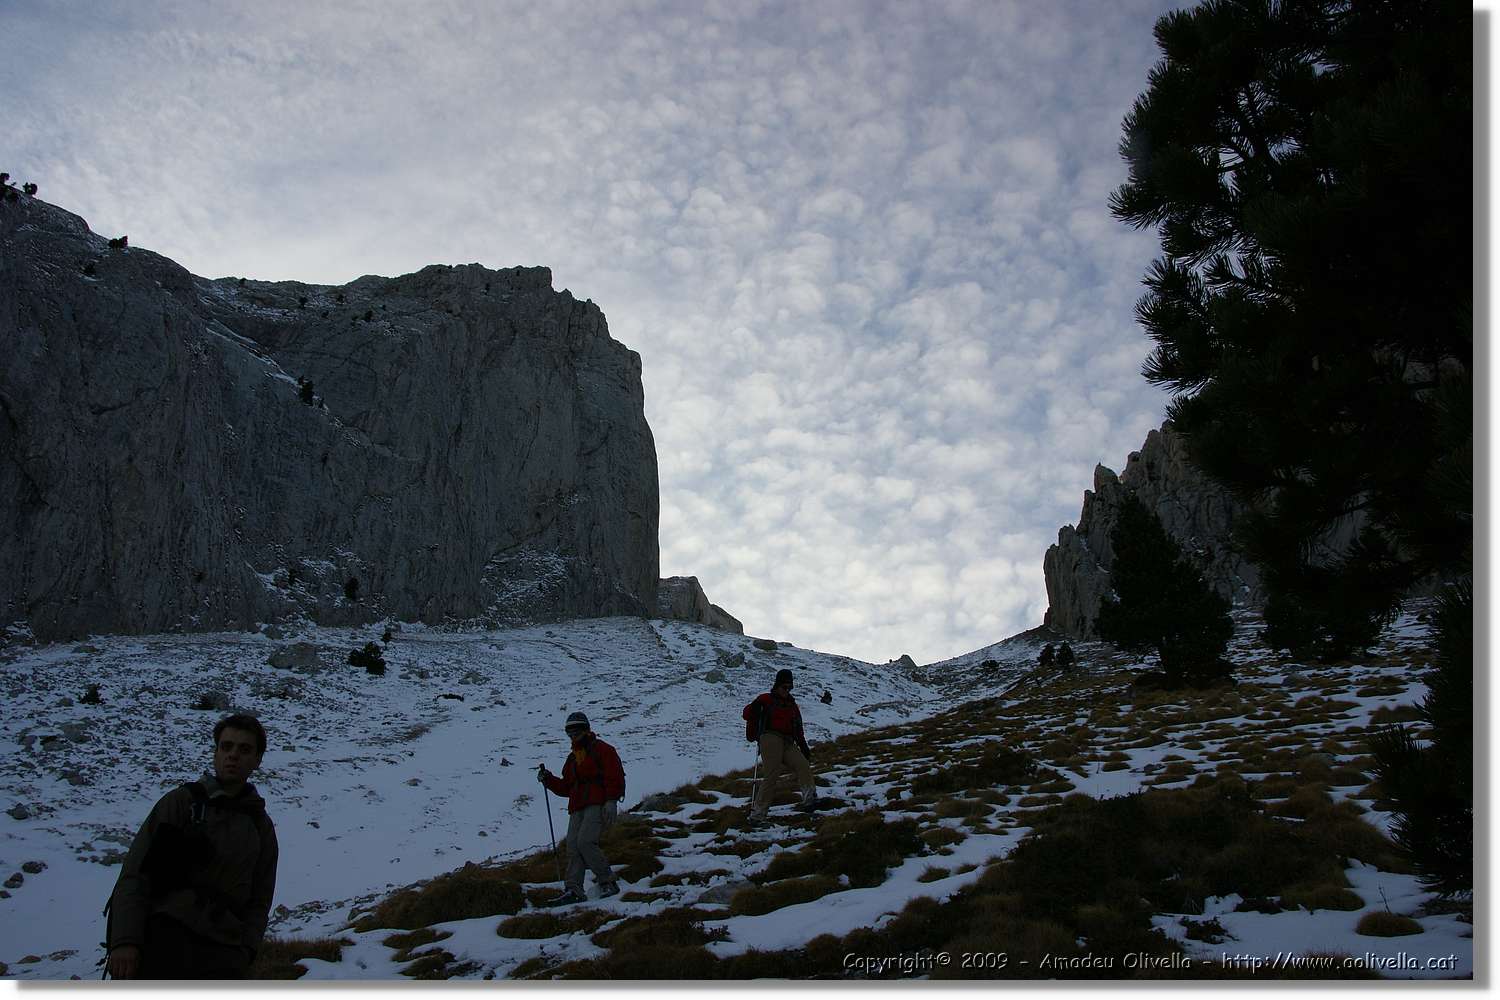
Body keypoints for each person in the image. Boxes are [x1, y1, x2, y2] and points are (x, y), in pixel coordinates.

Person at [105, 713, 278, 980]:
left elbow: (260, 898)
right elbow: (135, 875)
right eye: (226, 746)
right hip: (163, 940)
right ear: (215, 752)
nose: (233, 755)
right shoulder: (180, 803)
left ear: (257, 760)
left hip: (224, 954)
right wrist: (125, 942)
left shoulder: (260, 826)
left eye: (245, 749)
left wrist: (246, 951)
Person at [537, 712, 625, 904]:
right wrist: (549, 780)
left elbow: (615, 775)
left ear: (586, 730)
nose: (573, 736)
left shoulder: (602, 750)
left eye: (576, 731)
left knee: (585, 842)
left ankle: (607, 881)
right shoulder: (572, 759)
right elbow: (567, 787)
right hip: (577, 806)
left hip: (597, 803)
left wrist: (611, 801)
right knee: (573, 847)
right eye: (570, 733)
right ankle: (574, 890)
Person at [743, 669, 816, 824]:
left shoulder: (792, 705)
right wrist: (755, 707)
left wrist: (803, 746)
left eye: (789, 688)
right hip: (770, 737)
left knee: (802, 764)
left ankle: (810, 800)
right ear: (777, 685)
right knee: (772, 773)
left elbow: (798, 727)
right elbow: (747, 714)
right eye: (784, 687)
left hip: (788, 741)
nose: (787, 690)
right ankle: (758, 814)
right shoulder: (765, 699)